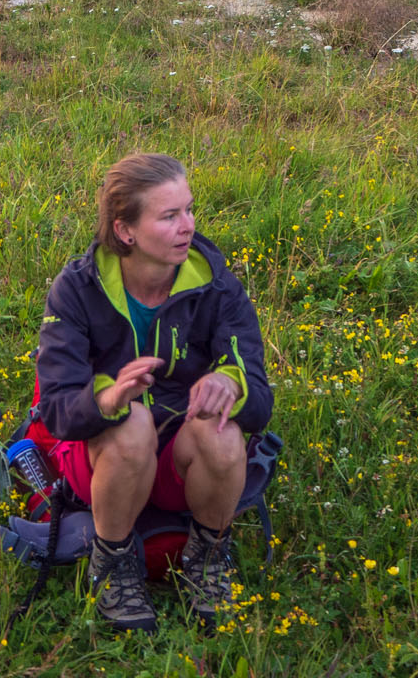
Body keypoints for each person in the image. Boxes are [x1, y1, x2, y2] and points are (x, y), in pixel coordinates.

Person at [34, 153, 273, 633]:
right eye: (169, 216)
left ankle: (206, 557)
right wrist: (109, 399)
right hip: (103, 457)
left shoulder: (216, 284)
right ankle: (114, 564)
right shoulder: (77, 289)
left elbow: (260, 399)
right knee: (132, 422)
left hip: (177, 462)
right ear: (125, 231)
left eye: (188, 209)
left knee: (223, 429)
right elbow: (56, 406)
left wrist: (229, 382)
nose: (188, 226)